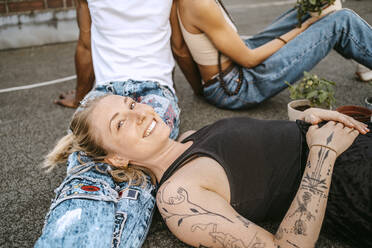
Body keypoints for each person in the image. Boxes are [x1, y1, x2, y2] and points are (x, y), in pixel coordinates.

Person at [45, 94, 372, 247]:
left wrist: (305, 120)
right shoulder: (177, 197)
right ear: (116, 158)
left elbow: (264, 153)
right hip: (347, 180)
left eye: (131, 104)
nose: (140, 115)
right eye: (121, 123)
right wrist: (323, 152)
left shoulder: (189, 138)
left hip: (343, 139)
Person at [35, 0, 180, 247]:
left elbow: (85, 45)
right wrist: (202, 89)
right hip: (155, 85)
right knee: (141, 163)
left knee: (90, 163)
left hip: (104, 96)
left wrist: (80, 97)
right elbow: (180, 47)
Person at [171, 0, 372, 108]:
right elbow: (249, 60)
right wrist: (304, 28)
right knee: (341, 21)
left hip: (223, 77)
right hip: (237, 86)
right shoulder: (201, 4)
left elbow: (180, 50)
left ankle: (361, 52)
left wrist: (203, 90)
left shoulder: (176, 3)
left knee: (314, 8)